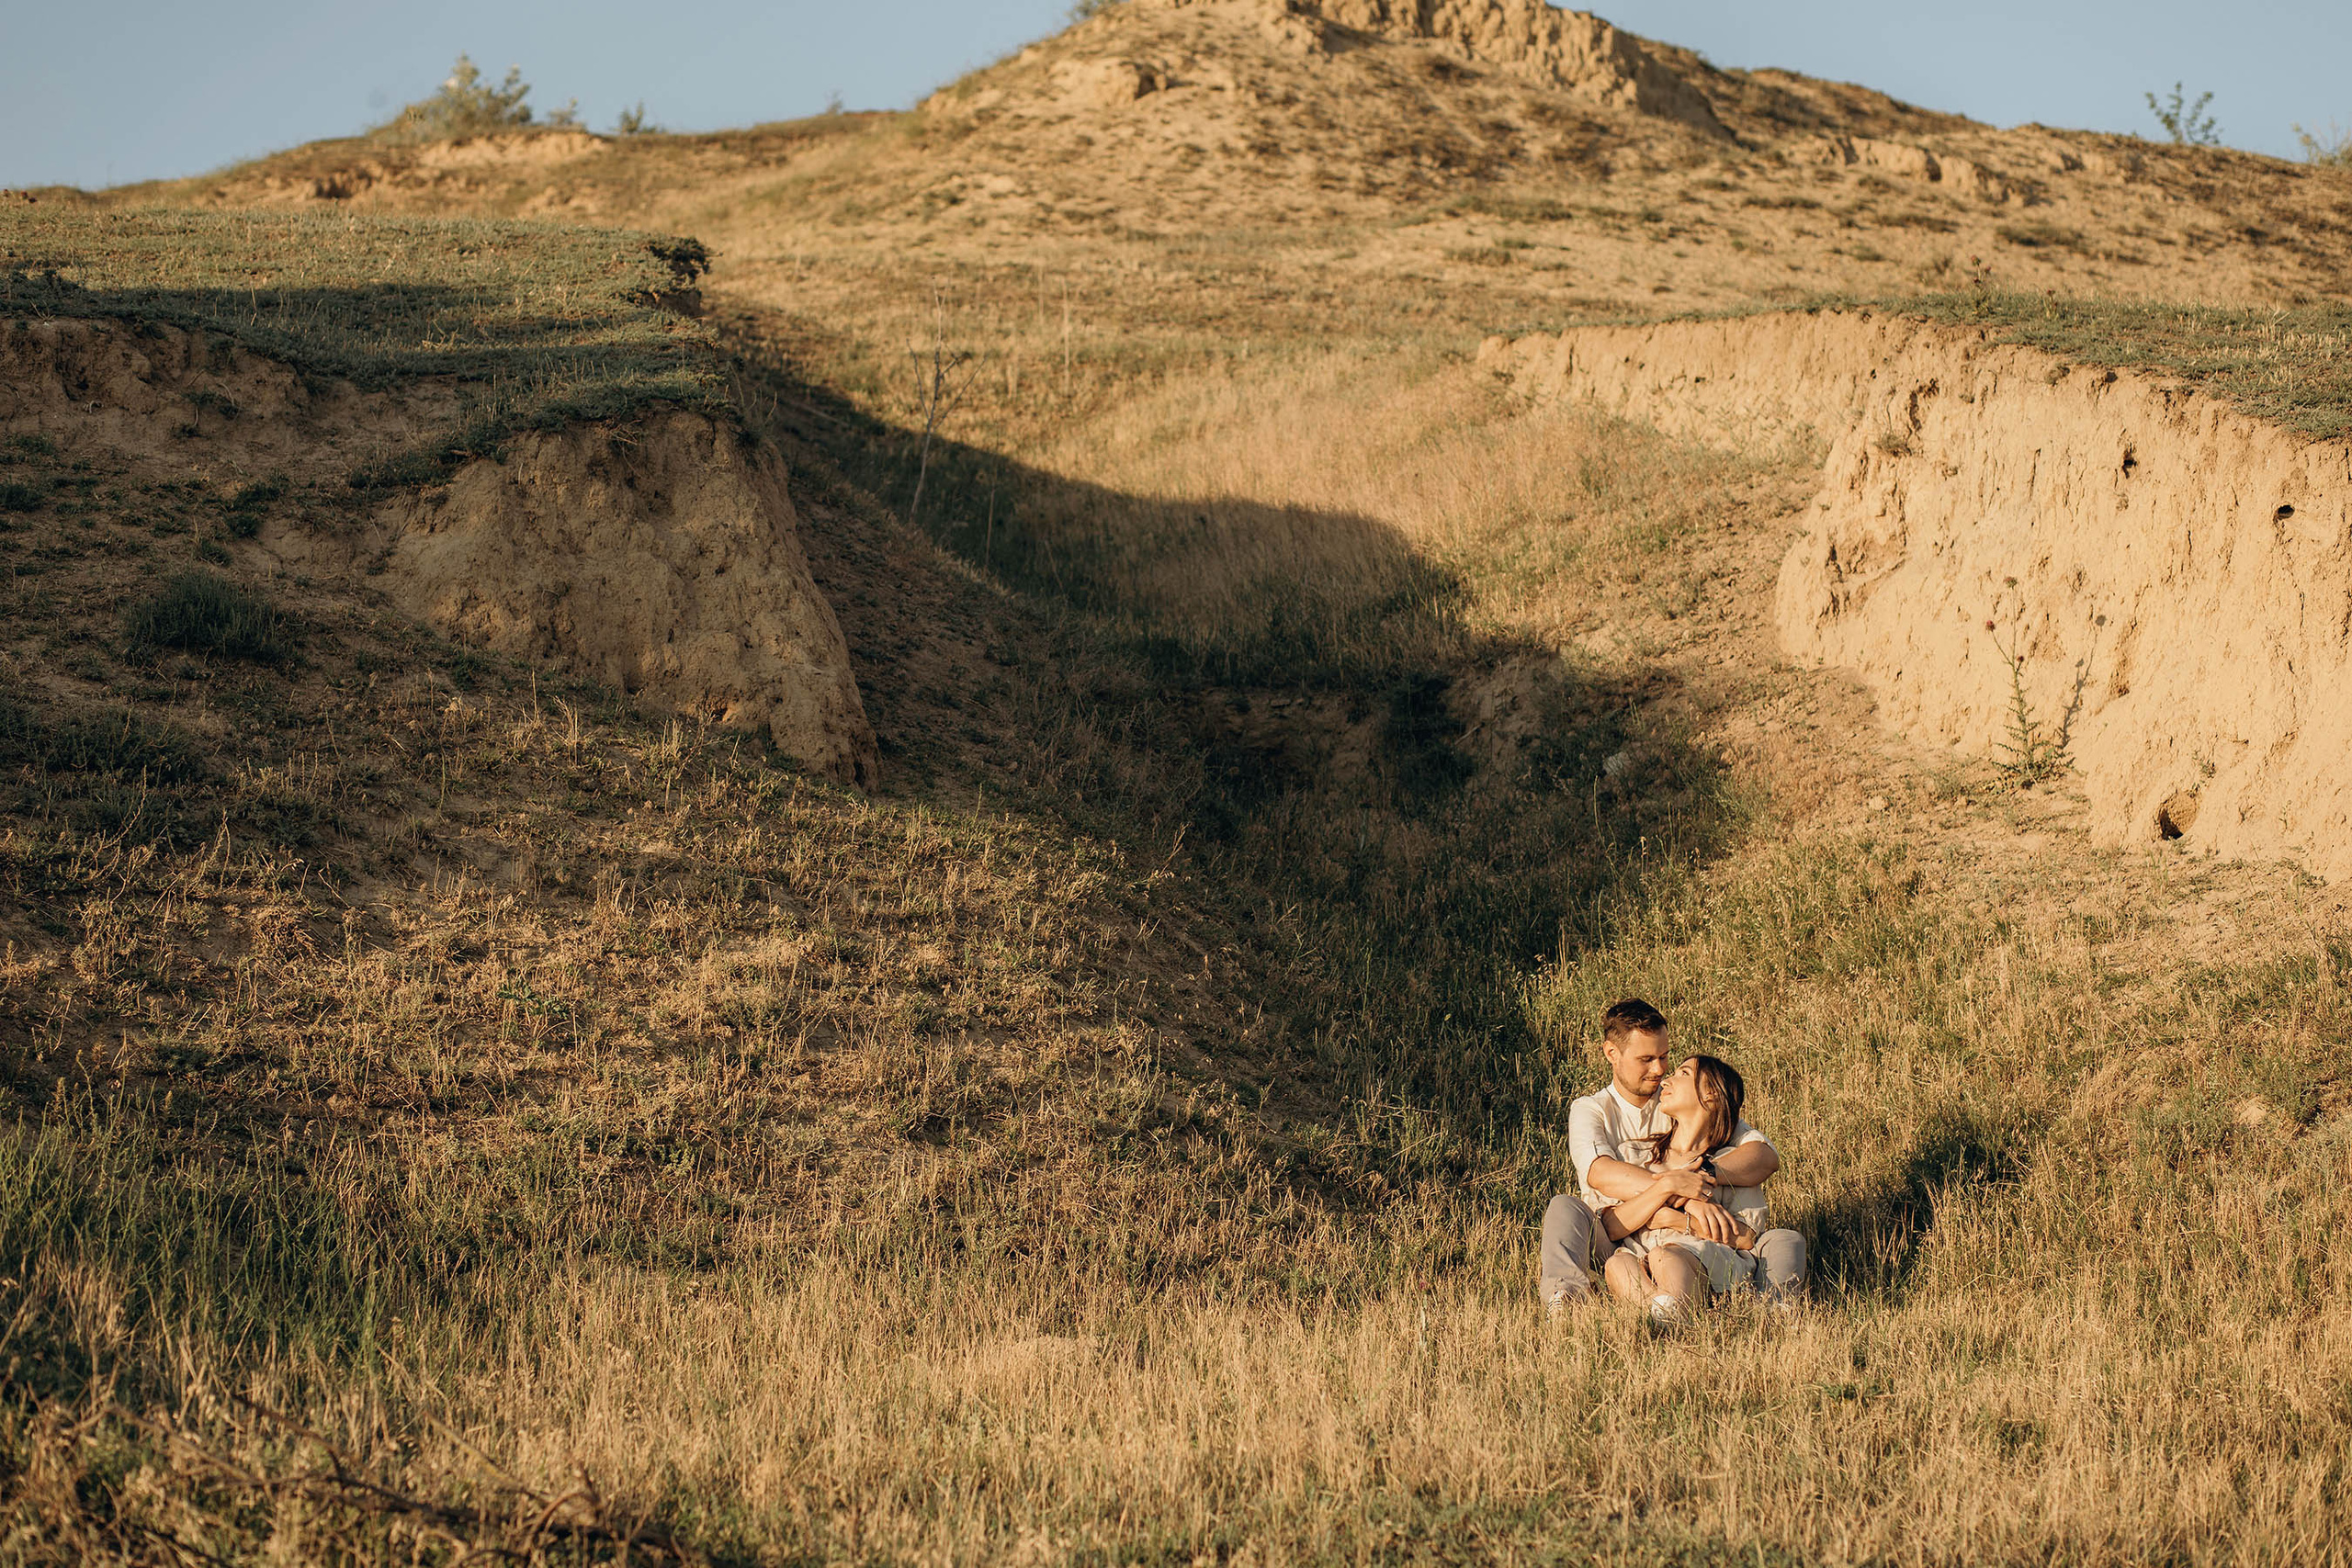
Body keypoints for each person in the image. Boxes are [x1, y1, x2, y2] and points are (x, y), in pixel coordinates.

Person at [1539, 998, 1806, 1317]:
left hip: (1684, 1242)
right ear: (1612, 1053)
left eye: (1664, 1057)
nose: (1660, 1071)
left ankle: (1753, 1309)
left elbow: (1763, 1156)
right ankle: (1566, 1298)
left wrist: (1702, 1175)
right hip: (1616, 1235)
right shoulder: (1592, 1109)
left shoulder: (1678, 1102)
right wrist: (1680, 1191)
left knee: (1780, 1240)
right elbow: (1601, 1174)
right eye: (1646, 1059)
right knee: (1565, 1207)